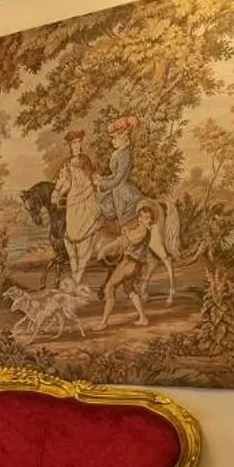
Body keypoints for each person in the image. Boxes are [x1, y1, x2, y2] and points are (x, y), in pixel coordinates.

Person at [97, 201, 158, 330]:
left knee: (110, 287)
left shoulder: (142, 232)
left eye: (147, 217)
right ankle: (143, 318)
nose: (143, 219)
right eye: (141, 216)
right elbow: (126, 240)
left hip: (129, 264)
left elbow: (124, 241)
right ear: (139, 217)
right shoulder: (144, 231)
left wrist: (105, 250)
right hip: (136, 266)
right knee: (129, 289)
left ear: (151, 220)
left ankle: (103, 323)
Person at [51, 131, 102, 283]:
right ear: (70, 146)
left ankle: (93, 233)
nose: (77, 145)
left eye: (79, 142)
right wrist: (56, 192)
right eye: (74, 143)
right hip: (74, 198)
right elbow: (62, 180)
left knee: (94, 212)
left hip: (88, 196)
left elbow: (92, 176)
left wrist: (96, 180)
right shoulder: (66, 163)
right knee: (68, 223)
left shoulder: (85, 160)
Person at [97, 115, 143, 223]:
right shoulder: (118, 153)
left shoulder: (125, 154)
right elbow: (114, 175)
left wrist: (102, 184)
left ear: (124, 138)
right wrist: (101, 179)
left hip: (121, 190)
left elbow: (118, 179)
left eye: (114, 138)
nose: (112, 141)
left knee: (104, 205)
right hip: (115, 186)